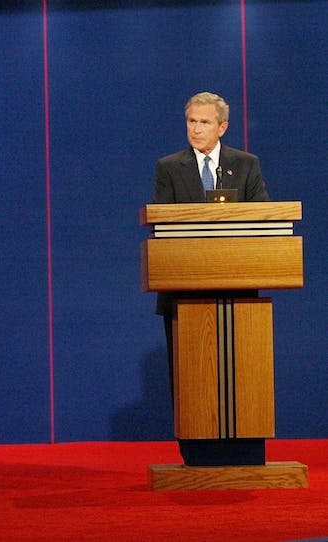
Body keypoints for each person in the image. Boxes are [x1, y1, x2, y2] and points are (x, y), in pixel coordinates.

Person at [152, 91, 270, 466]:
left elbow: (264, 219)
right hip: (185, 292)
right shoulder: (169, 167)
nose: (196, 129)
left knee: (241, 374)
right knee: (192, 380)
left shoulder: (246, 164)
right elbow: (161, 226)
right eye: (191, 121)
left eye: (204, 122)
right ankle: (197, 456)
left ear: (223, 127)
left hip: (238, 291)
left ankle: (245, 452)